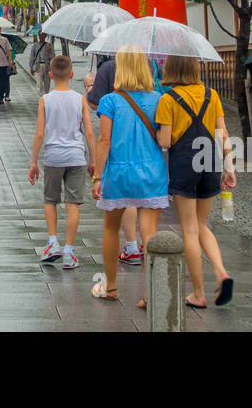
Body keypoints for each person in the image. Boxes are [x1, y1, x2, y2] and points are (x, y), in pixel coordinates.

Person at [90, 46, 170, 306]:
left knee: (111, 228)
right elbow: (164, 139)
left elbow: (104, 141)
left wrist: (97, 176)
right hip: (151, 172)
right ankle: (151, 293)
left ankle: (111, 287)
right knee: (150, 233)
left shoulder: (110, 101)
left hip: (120, 171)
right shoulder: (159, 99)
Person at [156, 56, 235, 308]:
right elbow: (222, 133)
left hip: (185, 161)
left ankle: (199, 294)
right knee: (202, 224)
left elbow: (166, 141)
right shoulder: (212, 95)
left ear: (172, 69)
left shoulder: (168, 99)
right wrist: (229, 165)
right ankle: (221, 271)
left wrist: (156, 130)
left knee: (189, 228)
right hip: (211, 159)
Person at [28, 55, 95, 270]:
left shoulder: (45, 100)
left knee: (50, 200)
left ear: (50, 75)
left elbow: (40, 133)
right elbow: (90, 132)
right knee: (73, 204)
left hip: (53, 157)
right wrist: (94, 160)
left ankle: (52, 243)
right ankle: (69, 252)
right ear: (72, 74)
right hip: (76, 156)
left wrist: (33, 161)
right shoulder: (80, 99)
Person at [85, 55, 143, 264]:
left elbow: (104, 137)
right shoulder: (155, 97)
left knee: (122, 208)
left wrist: (90, 86)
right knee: (146, 208)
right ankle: (148, 248)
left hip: (121, 155)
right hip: (150, 161)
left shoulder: (109, 88)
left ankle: (130, 248)